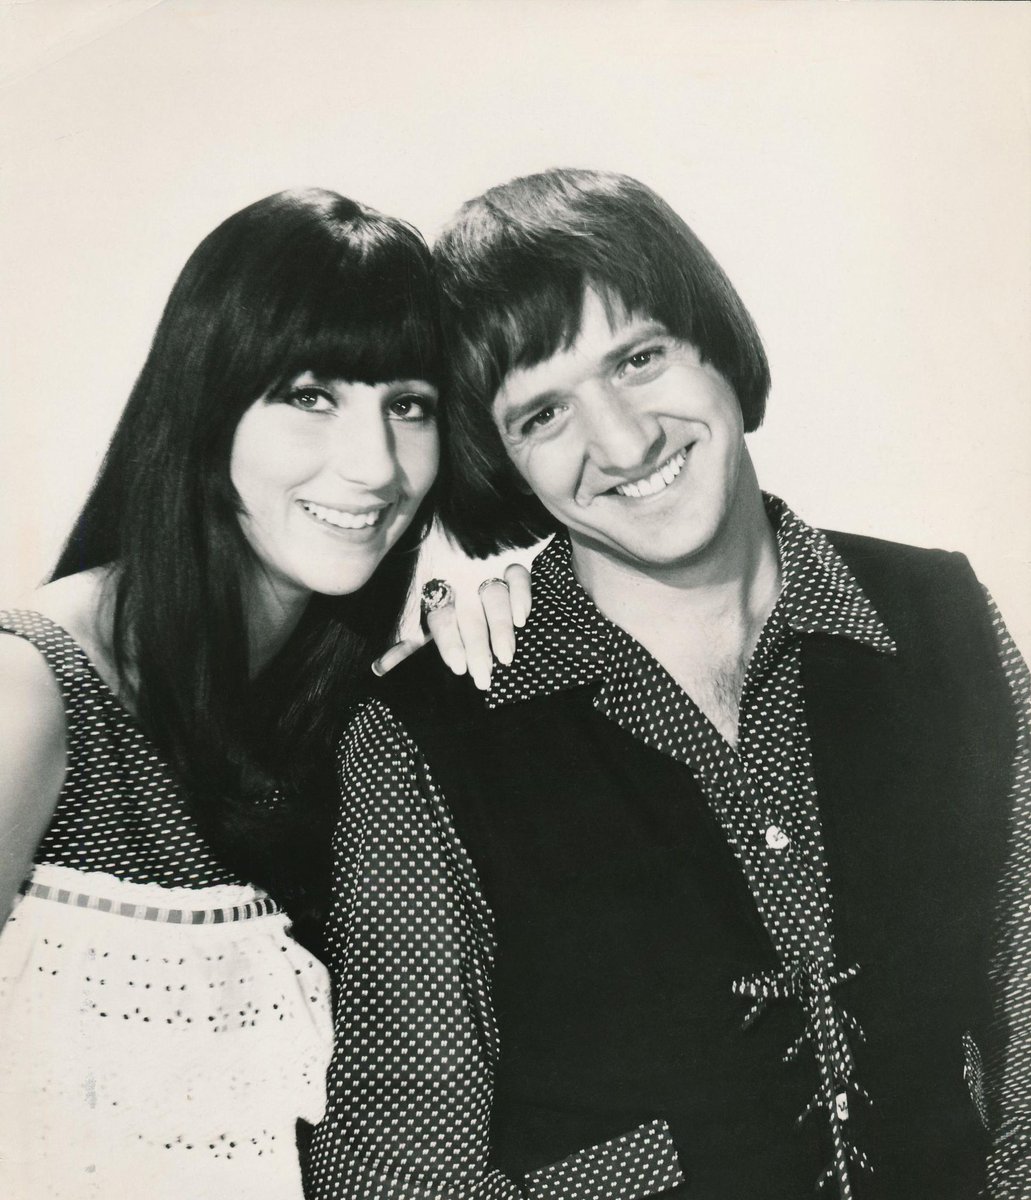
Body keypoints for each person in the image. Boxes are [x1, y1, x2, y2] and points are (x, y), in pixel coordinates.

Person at [308, 169, 1031, 1199]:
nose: (624, 441)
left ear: (716, 344)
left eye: (638, 358)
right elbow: (403, 1169)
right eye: (542, 414)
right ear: (501, 460)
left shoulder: (940, 617)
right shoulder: (421, 735)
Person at [0, 187, 526, 1200]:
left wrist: (500, 640)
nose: (373, 466)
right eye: (310, 396)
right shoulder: (34, 692)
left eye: (408, 405)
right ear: (206, 405)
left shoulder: (358, 720)